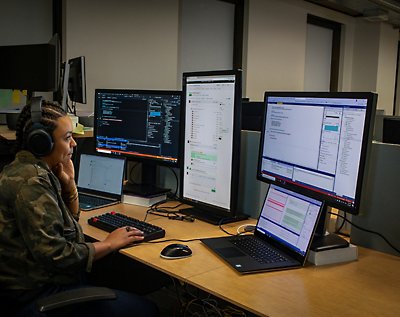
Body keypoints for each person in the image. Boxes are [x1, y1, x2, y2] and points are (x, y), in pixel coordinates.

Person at [0, 100, 159, 316]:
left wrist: (69, 185)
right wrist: (109, 244)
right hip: (40, 292)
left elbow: (69, 228)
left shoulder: (26, 169)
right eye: (67, 138)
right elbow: (59, 255)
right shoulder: (32, 183)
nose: (74, 143)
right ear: (41, 143)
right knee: (148, 309)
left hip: (34, 284)